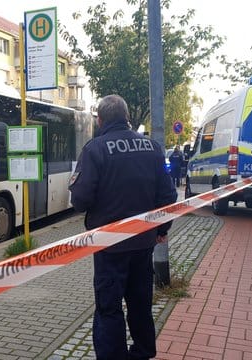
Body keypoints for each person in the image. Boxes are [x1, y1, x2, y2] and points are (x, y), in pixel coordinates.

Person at [69, 95, 177, 360]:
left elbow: (80, 201)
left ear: (100, 119)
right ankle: (142, 352)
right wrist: (161, 231)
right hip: (143, 243)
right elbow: (168, 196)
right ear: (127, 117)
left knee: (109, 306)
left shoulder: (94, 149)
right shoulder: (152, 148)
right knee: (140, 302)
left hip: (109, 245)